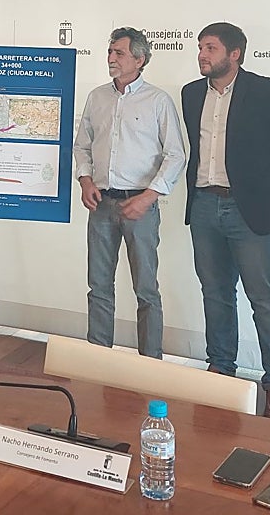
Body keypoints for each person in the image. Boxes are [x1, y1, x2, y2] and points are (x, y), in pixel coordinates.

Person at [181, 23, 270, 420]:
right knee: (215, 293)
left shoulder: (268, 90)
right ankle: (221, 370)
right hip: (204, 205)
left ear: (235, 54)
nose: (202, 54)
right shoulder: (191, 93)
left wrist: (264, 192)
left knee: (265, 299)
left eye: (211, 48)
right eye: (200, 47)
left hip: (251, 211)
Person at [73, 27, 185, 359]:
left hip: (141, 205)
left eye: (119, 53)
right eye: (110, 51)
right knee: (99, 287)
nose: (111, 58)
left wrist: (149, 196)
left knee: (147, 290)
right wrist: (85, 180)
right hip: (102, 203)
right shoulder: (97, 97)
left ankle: (150, 363)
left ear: (140, 59)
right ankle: (98, 358)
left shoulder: (158, 100)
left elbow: (176, 155)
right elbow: (82, 146)